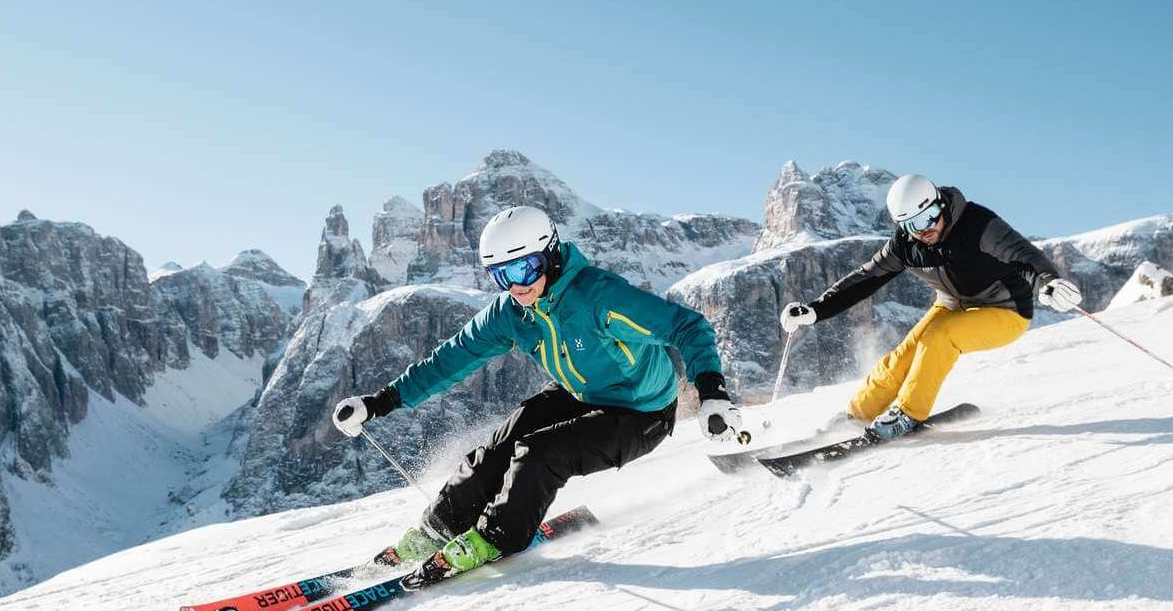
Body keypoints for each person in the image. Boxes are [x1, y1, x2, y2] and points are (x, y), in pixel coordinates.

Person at [332, 205, 743, 577]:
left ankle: (497, 538)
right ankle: (438, 529)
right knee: (498, 449)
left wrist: (712, 392)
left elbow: (688, 327)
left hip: (643, 412)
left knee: (542, 453)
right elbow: (450, 358)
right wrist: (380, 402)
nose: (517, 286)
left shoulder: (598, 296)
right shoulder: (511, 313)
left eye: (525, 269)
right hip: (580, 392)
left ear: (550, 254)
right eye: (502, 276)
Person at [779, 174, 1082, 441]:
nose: (924, 230)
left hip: (1006, 310)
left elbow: (1022, 254)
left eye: (929, 217)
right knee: (901, 357)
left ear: (940, 204)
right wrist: (816, 310)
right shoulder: (905, 245)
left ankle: (908, 414)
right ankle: (857, 416)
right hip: (952, 305)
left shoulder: (977, 225)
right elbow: (866, 278)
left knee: (938, 337)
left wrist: (1048, 282)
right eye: (912, 225)